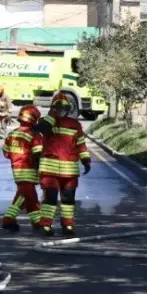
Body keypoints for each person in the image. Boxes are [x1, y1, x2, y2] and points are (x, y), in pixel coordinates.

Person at [32, 91, 91, 236]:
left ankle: (59, 226)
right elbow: (41, 129)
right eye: (58, 108)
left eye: (60, 108)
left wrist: (86, 160)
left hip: (58, 171)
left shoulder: (65, 123)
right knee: (60, 200)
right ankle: (58, 226)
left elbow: (81, 145)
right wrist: (85, 161)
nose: (60, 111)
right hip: (62, 171)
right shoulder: (52, 122)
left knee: (59, 200)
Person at [0, 105, 44, 232]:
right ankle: (11, 219)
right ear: (34, 119)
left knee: (27, 196)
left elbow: (6, 153)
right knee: (28, 197)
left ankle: (29, 221)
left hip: (17, 170)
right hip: (29, 170)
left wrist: (16, 158)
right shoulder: (34, 135)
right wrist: (41, 170)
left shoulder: (12, 134)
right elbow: (38, 155)